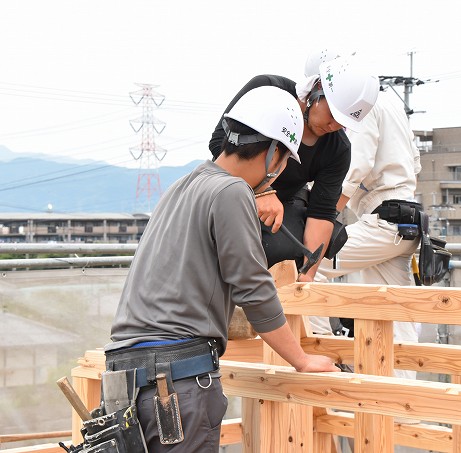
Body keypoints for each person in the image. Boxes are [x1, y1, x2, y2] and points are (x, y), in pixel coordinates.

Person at [105, 86, 338, 453]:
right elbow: (253, 287)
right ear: (274, 152)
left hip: (125, 377)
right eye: (283, 162)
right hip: (176, 381)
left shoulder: (183, 186)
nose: (279, 172)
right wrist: (302, 359)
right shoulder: (232, 192)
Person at [208, 55, 380, 283]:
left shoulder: (337, 149)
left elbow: (322, 213)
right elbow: (220, 142)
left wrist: (307, 274)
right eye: (333, 115)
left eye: (343, 123)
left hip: (286, 201)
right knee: (215, 241)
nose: (334, 126)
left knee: (282, 252)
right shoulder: (267, 90)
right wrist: (261, 191)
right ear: (317, 89)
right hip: (229, 183)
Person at [313, 88, 423, 387]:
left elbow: (353, 167)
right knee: (396, 312)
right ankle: (402, 401)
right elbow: (415, 165)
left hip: (384, 218)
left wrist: (322, 220)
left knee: (310, 263)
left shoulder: (363, 105)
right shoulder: (392, 104)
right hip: (406, 219)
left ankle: (321, 354)